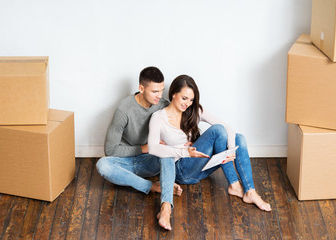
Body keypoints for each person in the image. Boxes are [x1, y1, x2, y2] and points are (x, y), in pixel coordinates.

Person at [148, 75, 271, 230]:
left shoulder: (194, 111)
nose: (188, 104)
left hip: (200, 167)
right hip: (181, 170)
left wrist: (231, 150)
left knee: (238, 138)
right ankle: (233, 184)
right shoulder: (158, 117)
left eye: (191, 100)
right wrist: (183, 151)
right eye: (184, 98)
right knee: (217, 131)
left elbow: (228, 128)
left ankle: (250, 191)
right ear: (173, 93)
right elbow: (152, 148)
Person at [96, 67, 181, 230]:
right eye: (155, 91)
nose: (159, 96)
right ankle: (150, 186)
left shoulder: (163, 105)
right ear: (141, 88)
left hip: (149, 162)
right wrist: (143, 148)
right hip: (125, 162)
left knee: (167, 150)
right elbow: (110, 150)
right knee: (102, 165)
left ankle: (166, 208)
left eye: (162, 91)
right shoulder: (124, 109)